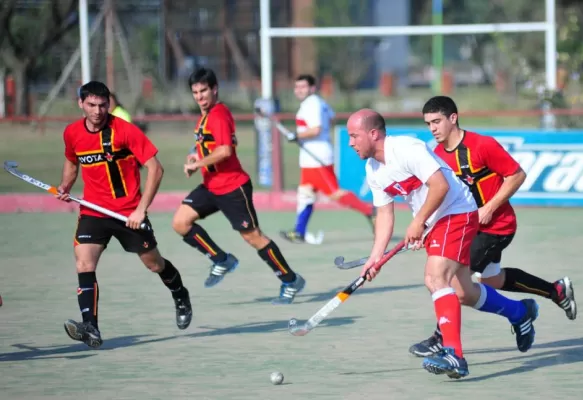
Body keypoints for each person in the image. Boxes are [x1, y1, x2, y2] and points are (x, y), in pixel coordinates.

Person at [347, 109, 539, 379]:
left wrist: (418, 222)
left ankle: (454, 354)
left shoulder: (407, 149)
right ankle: (520, 312)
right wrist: (375, 258)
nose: (350, 143)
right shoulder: (373, 170)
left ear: (373, 134)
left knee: (435, 277)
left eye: (354, 136)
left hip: (457, 212)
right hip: (436, 221)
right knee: (464, 293)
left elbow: (440, 186)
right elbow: (385, 216)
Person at [408, 96, 577, 357]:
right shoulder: (437, 156)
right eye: (428, 123)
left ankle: (442, 338)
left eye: (437, 121)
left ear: (453, 118)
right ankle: (554, 291)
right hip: (465, 229)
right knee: (492, 279)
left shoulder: (481, 145)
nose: (432, 128)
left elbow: (517, 174)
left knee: (451, 281)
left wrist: (490, 207)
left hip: (496, 226)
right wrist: (425, 229)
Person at [57, 81, 193, 348]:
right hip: (93, 211)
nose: (97, 111)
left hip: (128, 212)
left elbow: (156, 169)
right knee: (84, 263)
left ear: (110, 104)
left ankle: (180, 293)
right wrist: (65, 186)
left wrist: (140, 209)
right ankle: (91, 327)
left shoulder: (124, 131)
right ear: (81, 104)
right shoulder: (72, 133)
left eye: (103, 105)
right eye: (92, 105)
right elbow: (72, 162)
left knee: (154, 264)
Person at [171, 67, 305, 304]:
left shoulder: (218, 114)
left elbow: (225, 150)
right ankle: (221, 259)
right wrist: (196, 155)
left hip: (233, 188)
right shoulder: (206, 115)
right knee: (180, 223)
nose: (200, 96)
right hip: (211, 186)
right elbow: (215, 143)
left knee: (253, 237)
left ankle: (290, 279)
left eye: (204, 91)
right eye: (195, 92)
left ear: (214, 89)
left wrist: (198, 162)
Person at [280, 74, 375, 244]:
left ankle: (369, 210)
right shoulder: (318, 103)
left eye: (303, 87)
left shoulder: (313, 104)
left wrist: (297, 135)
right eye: (297, 87)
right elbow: (330, 118)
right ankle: (299, 231)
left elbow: (316, 129)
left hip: (317, 158)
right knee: (305, 195)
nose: (299, 90)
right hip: (309, 158)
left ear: (312, 88)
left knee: (333, 193)